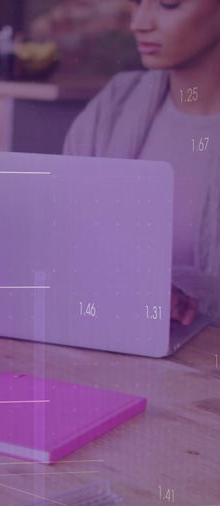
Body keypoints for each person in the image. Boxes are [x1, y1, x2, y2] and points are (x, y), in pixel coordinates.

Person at [63, 0, 220, 326]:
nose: (139, 22)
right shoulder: (113, 107)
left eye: (168, 4)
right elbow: (62, 240)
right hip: (114, 349)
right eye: (137, 2)